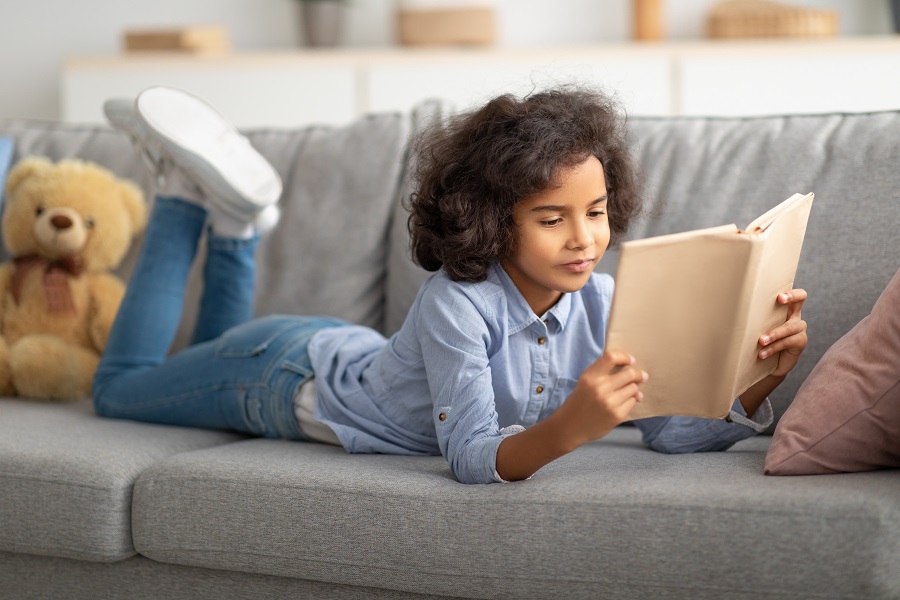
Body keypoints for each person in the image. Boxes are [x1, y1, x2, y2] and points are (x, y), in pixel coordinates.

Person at [94, 86, 809, 485]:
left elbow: (670, 434)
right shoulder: (458, 305)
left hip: (327, 348)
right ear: (493, 222)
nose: (583, 238)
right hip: (277, 377)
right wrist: (572, 429)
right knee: (119, 387)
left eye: (594, 213)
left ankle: (233, 222)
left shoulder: (604, 302)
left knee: (202, 346)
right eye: (551, 218)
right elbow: (471, 458)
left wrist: (753, 382)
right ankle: (185, 200)